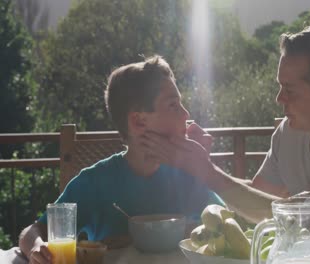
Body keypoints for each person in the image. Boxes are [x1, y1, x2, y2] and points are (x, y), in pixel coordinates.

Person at [141, 24, 310, 227]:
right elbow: (258, 199)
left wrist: (206, 171)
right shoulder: (288, 134)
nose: (279, 99)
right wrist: (197, 164)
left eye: (290, 90)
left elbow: (297, 213)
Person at [18, 55, 223, 264]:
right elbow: (33, 231)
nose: (185, 113)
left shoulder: (187, 173)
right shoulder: (95, 183)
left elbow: (233, 224)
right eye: (173, 105)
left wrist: (206, 169)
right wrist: (37, 246)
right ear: (138, 121)